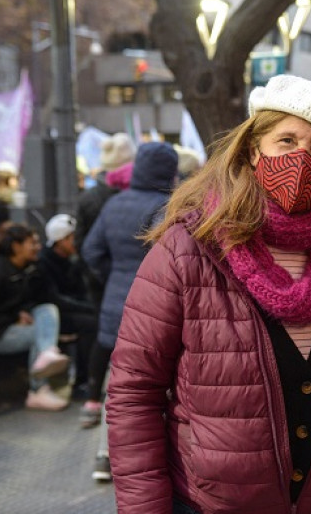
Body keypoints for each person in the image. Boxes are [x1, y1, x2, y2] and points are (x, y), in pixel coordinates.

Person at [106, 75, 311, 513]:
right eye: (286, 139)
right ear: (253, 149)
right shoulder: (190, 246)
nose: (301, 157)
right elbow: (134, 392)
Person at [81, 141, 178, 482]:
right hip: (156, 309)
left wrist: (113, 276)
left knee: (118, 384)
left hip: (114, 304)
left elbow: (91, 249)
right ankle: (152, 462)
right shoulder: (167, 206)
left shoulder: (113, 204)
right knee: (152, 388)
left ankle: (104, 456)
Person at [0, 223, 71, 411]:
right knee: (39, 334)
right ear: (16, 246)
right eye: (32, 243)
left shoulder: (29, 268)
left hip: (14, 324)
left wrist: (21, 312)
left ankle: (47, 353)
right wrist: (13, 317)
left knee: (47, 309)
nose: (38, 246)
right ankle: (38, 390)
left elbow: (37, 298)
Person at [36, 214, 98, 397]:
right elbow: (54, 298)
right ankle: (82, 381)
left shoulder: (72, 259)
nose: (76, 241)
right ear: (60, 240)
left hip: (69, 310)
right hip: (53, 314)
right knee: (91, 324)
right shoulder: (44, 262)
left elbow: (80, 290)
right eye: (71, 238)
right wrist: (89, 308)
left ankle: (86, 379)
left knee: (95, 321)